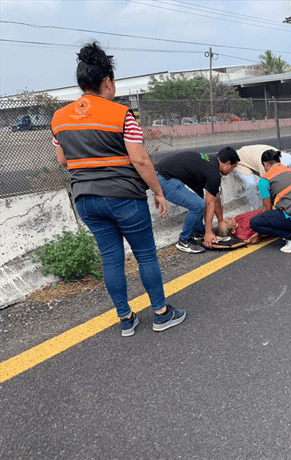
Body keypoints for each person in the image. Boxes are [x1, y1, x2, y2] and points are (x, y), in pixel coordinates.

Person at [51, 41, 185, 337]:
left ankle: (125, 319)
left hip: (85, 200)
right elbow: (140, 159)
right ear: (107, 81)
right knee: (146, 255)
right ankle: (161, 313)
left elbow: (63, 159)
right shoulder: (122, 114)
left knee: (110, 257)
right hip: (124, 198)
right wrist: (158, 192)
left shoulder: (59, 118)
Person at [155, 147, 240, 253]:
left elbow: (216, 198)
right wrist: (209, 232)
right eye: (233, 167)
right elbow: (210, 204)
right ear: (228, 163)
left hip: (165, 174)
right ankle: (184, 240)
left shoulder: (211, 164)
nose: (232, 170)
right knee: (198, 205)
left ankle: (198, 231)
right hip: (164, 178)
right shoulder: (213, 174)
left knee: (199, 193)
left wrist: (220, 222)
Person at [249, 149, 291, 253]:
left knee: (255, 222)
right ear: (279, 161)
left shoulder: (264, 180)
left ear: (265, 164)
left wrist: (259, 232)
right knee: (284, 213)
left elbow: (267, 209)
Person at [235, 144, 291, 210]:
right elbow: (268, 190)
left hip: (252, 155)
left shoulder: (288, 160)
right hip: (240, 160)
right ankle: (255, 209)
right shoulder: (265, 166)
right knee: (251, 184)